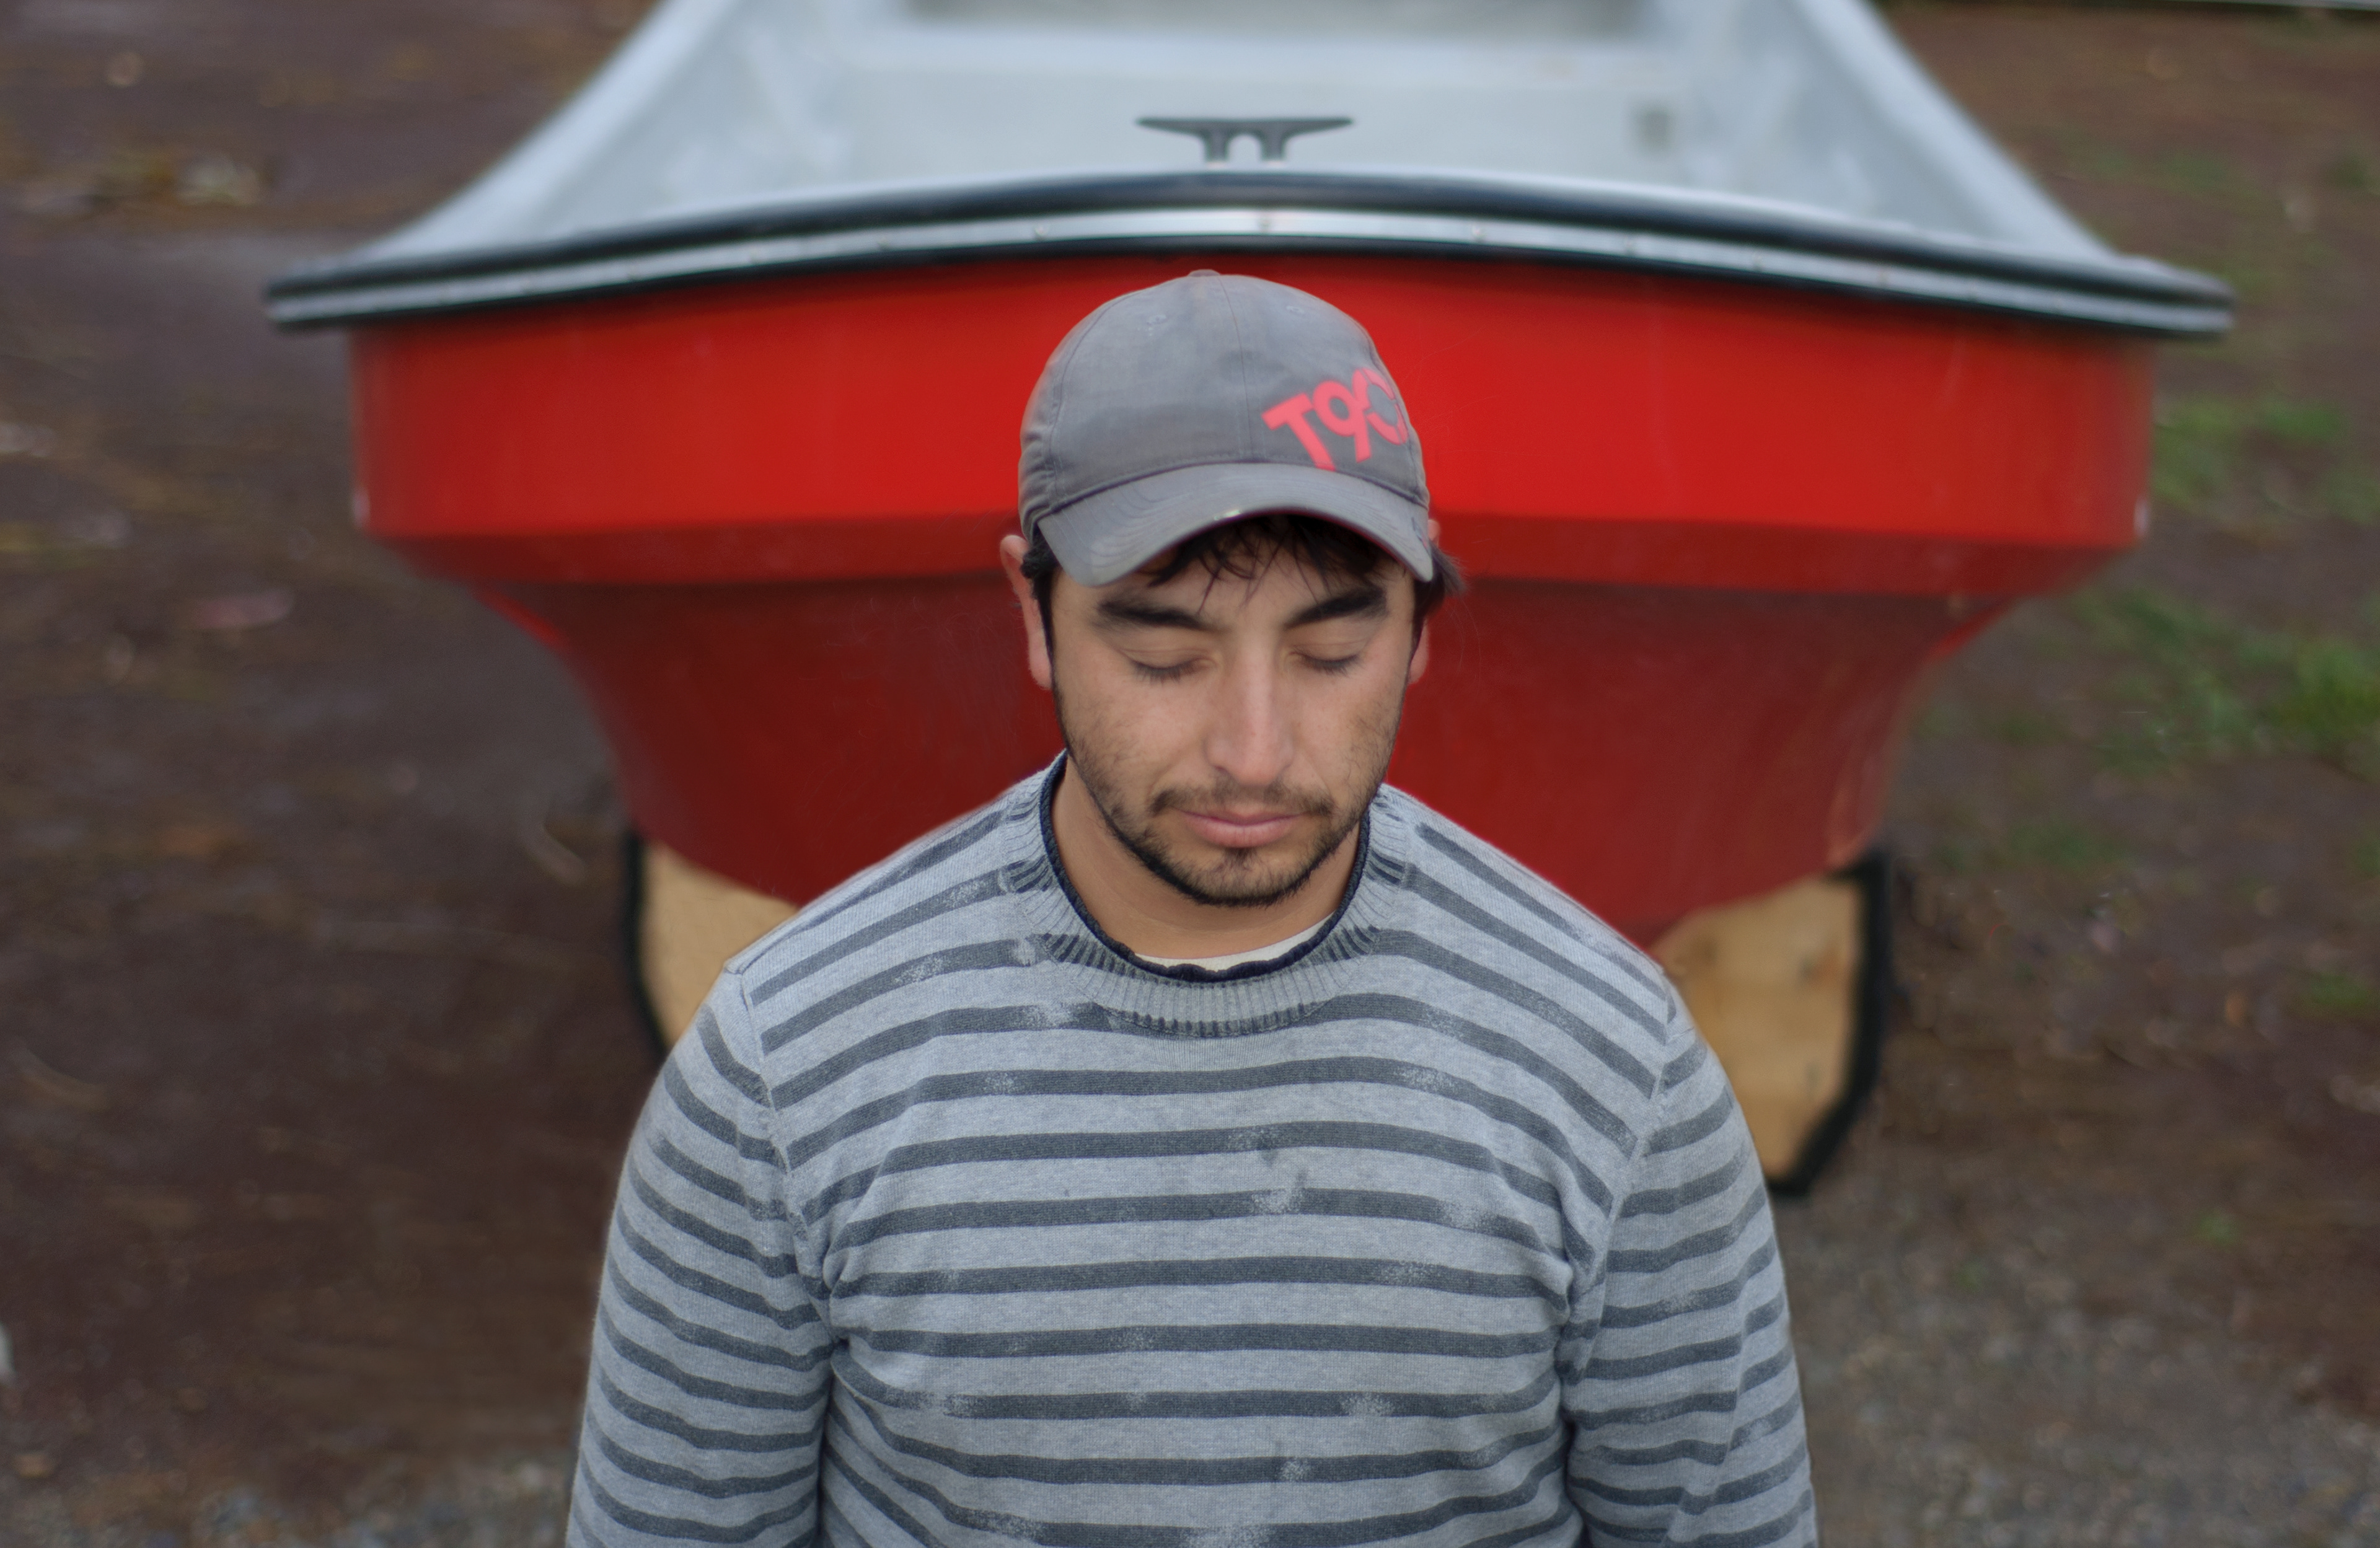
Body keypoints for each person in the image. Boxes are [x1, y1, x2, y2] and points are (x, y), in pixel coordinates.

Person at [568, 271, 1815, 1547]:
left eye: (1332, 654)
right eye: (1164, 656)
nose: (1254, 751)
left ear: (1422, 625)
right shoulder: (786, 1068)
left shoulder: (1614, 1065)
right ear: (1034, 613)